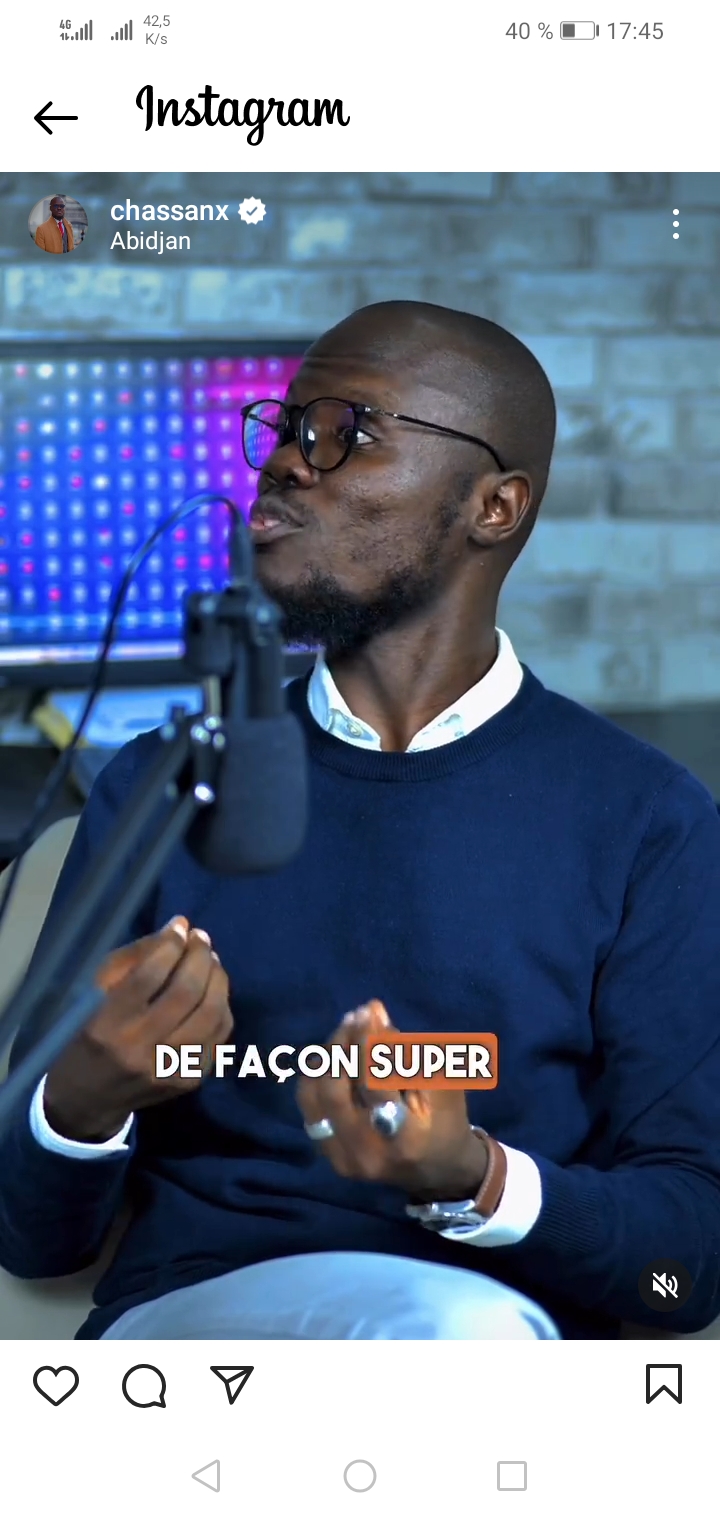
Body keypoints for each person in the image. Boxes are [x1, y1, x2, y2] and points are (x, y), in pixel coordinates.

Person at [2, 300, 720, 1342]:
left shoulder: (648, 819)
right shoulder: (159, 785)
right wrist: (81, 1100)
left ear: (494, 507)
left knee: (456, 1334)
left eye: (348, 431)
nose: (287, 464)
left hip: (502, 1353)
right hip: (201, 1340)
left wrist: (476, 1179)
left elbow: (685, 1262)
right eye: (286, 429)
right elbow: (33, 1243)